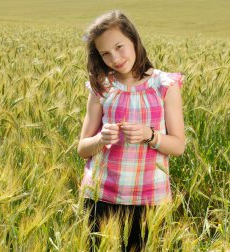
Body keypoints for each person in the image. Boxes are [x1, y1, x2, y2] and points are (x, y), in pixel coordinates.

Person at [77, 10, 186, 251]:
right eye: (105, 53)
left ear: (133, 39)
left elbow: (178, 145)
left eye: (119, 47)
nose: (114, 58)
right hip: (100, 198)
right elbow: (82, 149)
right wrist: (100, 138)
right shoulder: (101, 87)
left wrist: (151, 135)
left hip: (149, 203)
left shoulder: (165, 85)